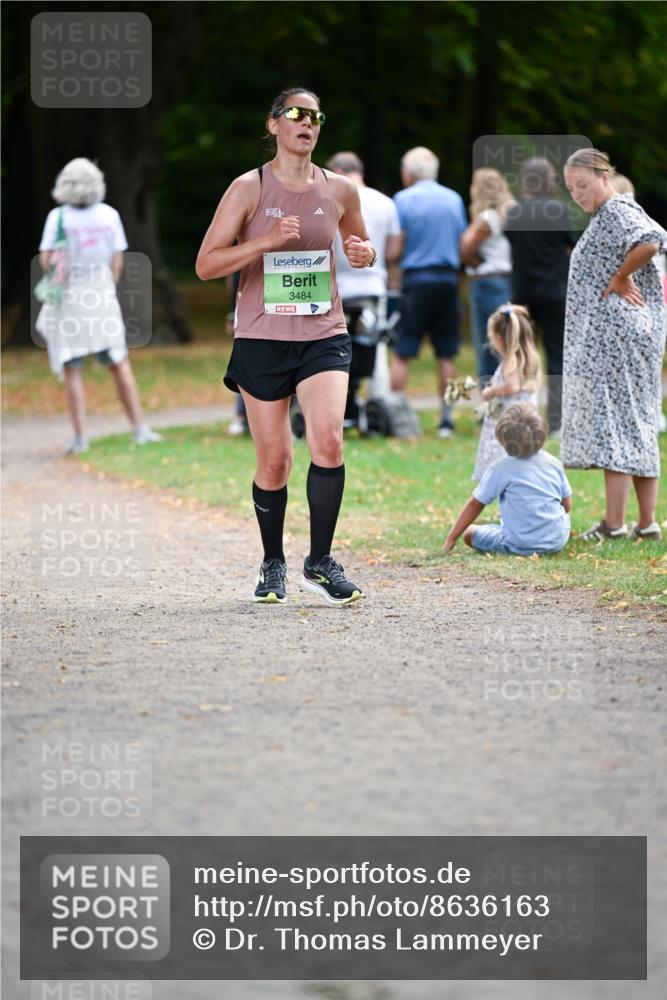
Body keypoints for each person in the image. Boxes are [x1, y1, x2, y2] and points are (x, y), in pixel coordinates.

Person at [196, 87, 376, 605]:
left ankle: (319, 561)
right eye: (296, 114)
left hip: (323, 333)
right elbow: (207, 265)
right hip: (261, 337)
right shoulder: (247, 188)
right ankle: (272, 562)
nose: (307, 123)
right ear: (274, 124)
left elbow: (358, 248)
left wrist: (362, 254)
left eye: (315, 116)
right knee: (274, 461)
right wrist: (267, 242)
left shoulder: (340, 189)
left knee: (330, 442)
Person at [562, 147, 667, 542]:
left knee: (616, 426)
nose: (578, 194)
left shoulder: (617, 210)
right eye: (572, 189)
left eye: (584, 185)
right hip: (627, 338)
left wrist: (623, 276)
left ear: (605, 177)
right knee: (639, 422)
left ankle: (614, 524)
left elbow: (651, 240)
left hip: (617, 341)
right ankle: (647, 522)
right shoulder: (612, 212)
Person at [36, 158, 163, 454]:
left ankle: (80, 436)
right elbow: (117, 260)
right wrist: (108, 287)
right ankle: (139, 428)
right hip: (101, 295)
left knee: (72, 367)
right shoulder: (109, 215)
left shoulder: (58, 218)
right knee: (119, 363)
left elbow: (46, 261)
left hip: (69, 299)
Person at [390, 147, 467, 437]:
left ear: (408, 173)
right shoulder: (453, 199)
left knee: (403, 350)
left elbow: (397, 247)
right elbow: (461, 243)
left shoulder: (403, 200)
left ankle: (398, 417)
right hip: (447, 280)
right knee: (447, 354)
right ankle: (447, 420)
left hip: (416, 280)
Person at [326, 151, 403, 427]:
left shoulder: (329, 199)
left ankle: (335, 404)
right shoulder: (385, 202)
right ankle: (377, 402)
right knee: (374, 347)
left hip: (335, 286)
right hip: (372, 284)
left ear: (336, 171)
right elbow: (393, 250)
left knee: (333, 349)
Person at [504, 158, 576, 434]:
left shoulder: (515, 212)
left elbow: (513, 244)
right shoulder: (559, 210)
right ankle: (557, 422)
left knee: (520, 354)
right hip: (555, 290)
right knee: (556, 357)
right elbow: (570, 245)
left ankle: (522, 417)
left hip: (522, 292)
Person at [444, 402, 572, 556]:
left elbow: (476, 504)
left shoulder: (501, 468)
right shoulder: (554, 463)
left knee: (470, 533)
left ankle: (520, 538)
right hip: (557, 541)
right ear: (542, 434)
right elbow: (567, 505)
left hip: (518, 544)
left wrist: (451, 538)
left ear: (503, 439)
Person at [472, 303, 541, 481]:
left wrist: (491, 391)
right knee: (522, 465)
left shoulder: (510, 362)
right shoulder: (527, 360)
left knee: (505, 466)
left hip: (510, 424)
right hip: (526, 422)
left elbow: (512, 387)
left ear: (499, 338)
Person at [459, 168, 514, 384]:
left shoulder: (487, 218)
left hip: (487, 281)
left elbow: (465, 250)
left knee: (486, 343)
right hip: (508, 280)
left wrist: (476, 263)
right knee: (506, 340)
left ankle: (490, 399)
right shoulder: (510, 214)